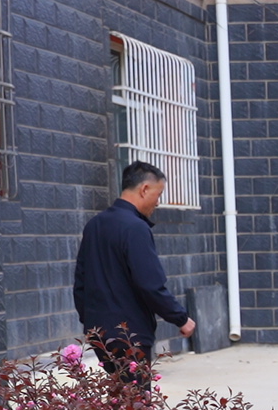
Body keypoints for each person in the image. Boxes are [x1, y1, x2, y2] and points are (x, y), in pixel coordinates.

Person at [73, 161, 195, 388]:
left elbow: (80, 283)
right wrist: (181, 318)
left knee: (119, 399)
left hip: (99, 333)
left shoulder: (94, 225)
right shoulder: (135, 228)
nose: (157, 202)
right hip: (129, 334)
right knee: (136, 402)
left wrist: (89, 322)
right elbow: (150, 284)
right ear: (144, 189)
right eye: (158, 194)